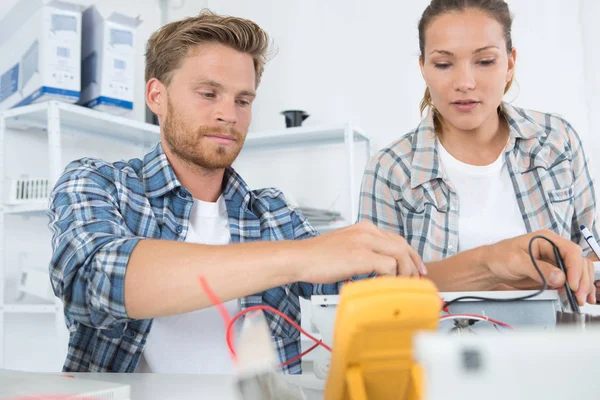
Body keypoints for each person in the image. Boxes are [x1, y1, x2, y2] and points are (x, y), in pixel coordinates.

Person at [47, 11, 425, 374]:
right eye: (209, 94)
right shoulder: (97, 183)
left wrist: (481, 265)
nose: (229, 114)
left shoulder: (272, 212)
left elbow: (372, 283)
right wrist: (300, 257)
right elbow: (93, 279)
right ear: (156, 96)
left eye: (243, 101)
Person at [358, 0, 597, 304]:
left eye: (485, 61)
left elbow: (592, 252)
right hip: (437, 348)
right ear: (423, 69)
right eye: (444, 65)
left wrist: (585, 277)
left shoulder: (557, 141)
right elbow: (372, 296)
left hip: (552, 346)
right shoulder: (390, 169)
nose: (465, 83)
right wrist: (491, 267)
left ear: (509, 64)